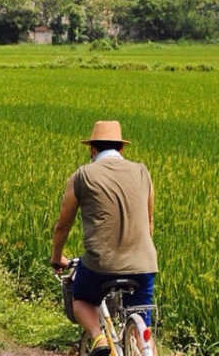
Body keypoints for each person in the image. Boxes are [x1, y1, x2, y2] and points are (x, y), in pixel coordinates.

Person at [50, 121, 158, 356]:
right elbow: (149, 221)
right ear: (121, 149)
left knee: (81, 298)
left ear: (92, 149)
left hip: (100, 264)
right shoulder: (142, 171)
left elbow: (62, 226)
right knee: (142, 322)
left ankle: (98, 338)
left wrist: (57, 258)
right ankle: (145, 343)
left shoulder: (82, 176)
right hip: (144, 263)